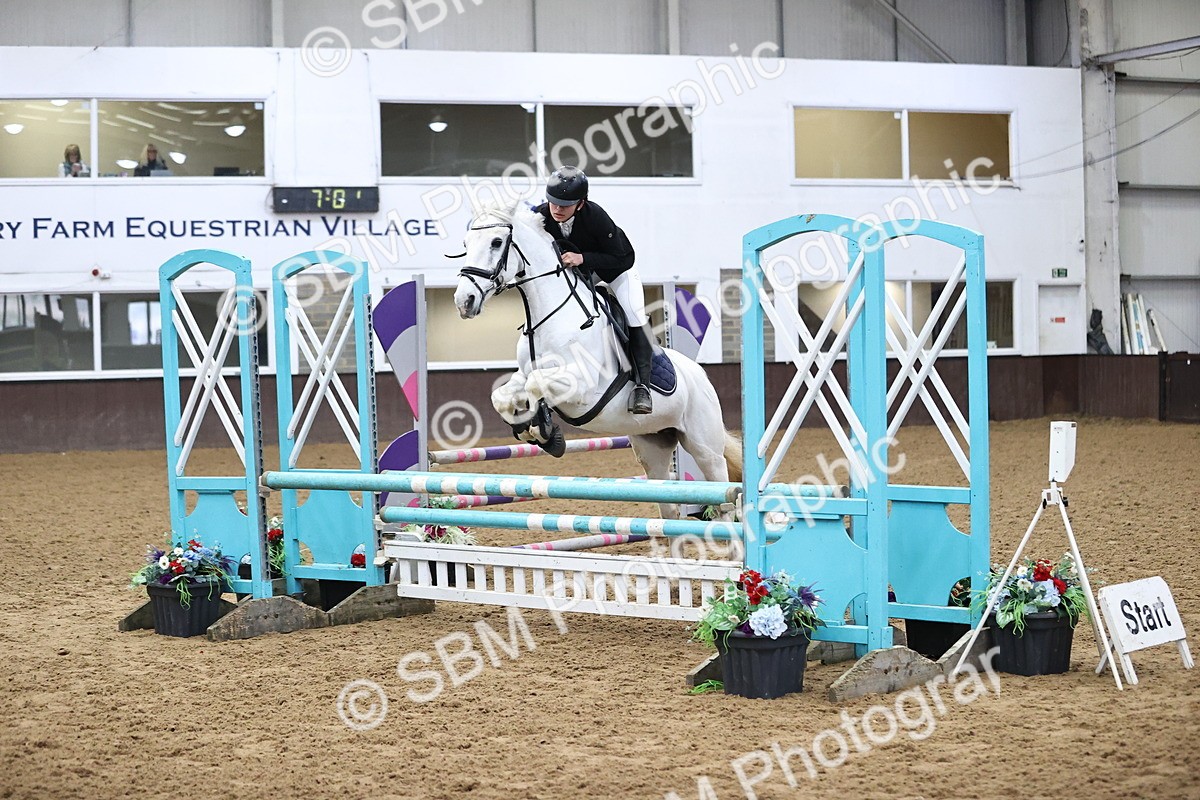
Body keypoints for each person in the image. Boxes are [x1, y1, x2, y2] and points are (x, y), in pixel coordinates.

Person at [534, 165, 655, 414]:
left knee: (633, 313)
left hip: (616, 271)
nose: (557, 209)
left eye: (565, 205)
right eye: (553, 202)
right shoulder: (542, 215)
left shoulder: (596, 217)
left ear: (580, 204)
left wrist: (583, 258)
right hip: (581, 274)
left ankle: (643, 387)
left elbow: (623, 259)